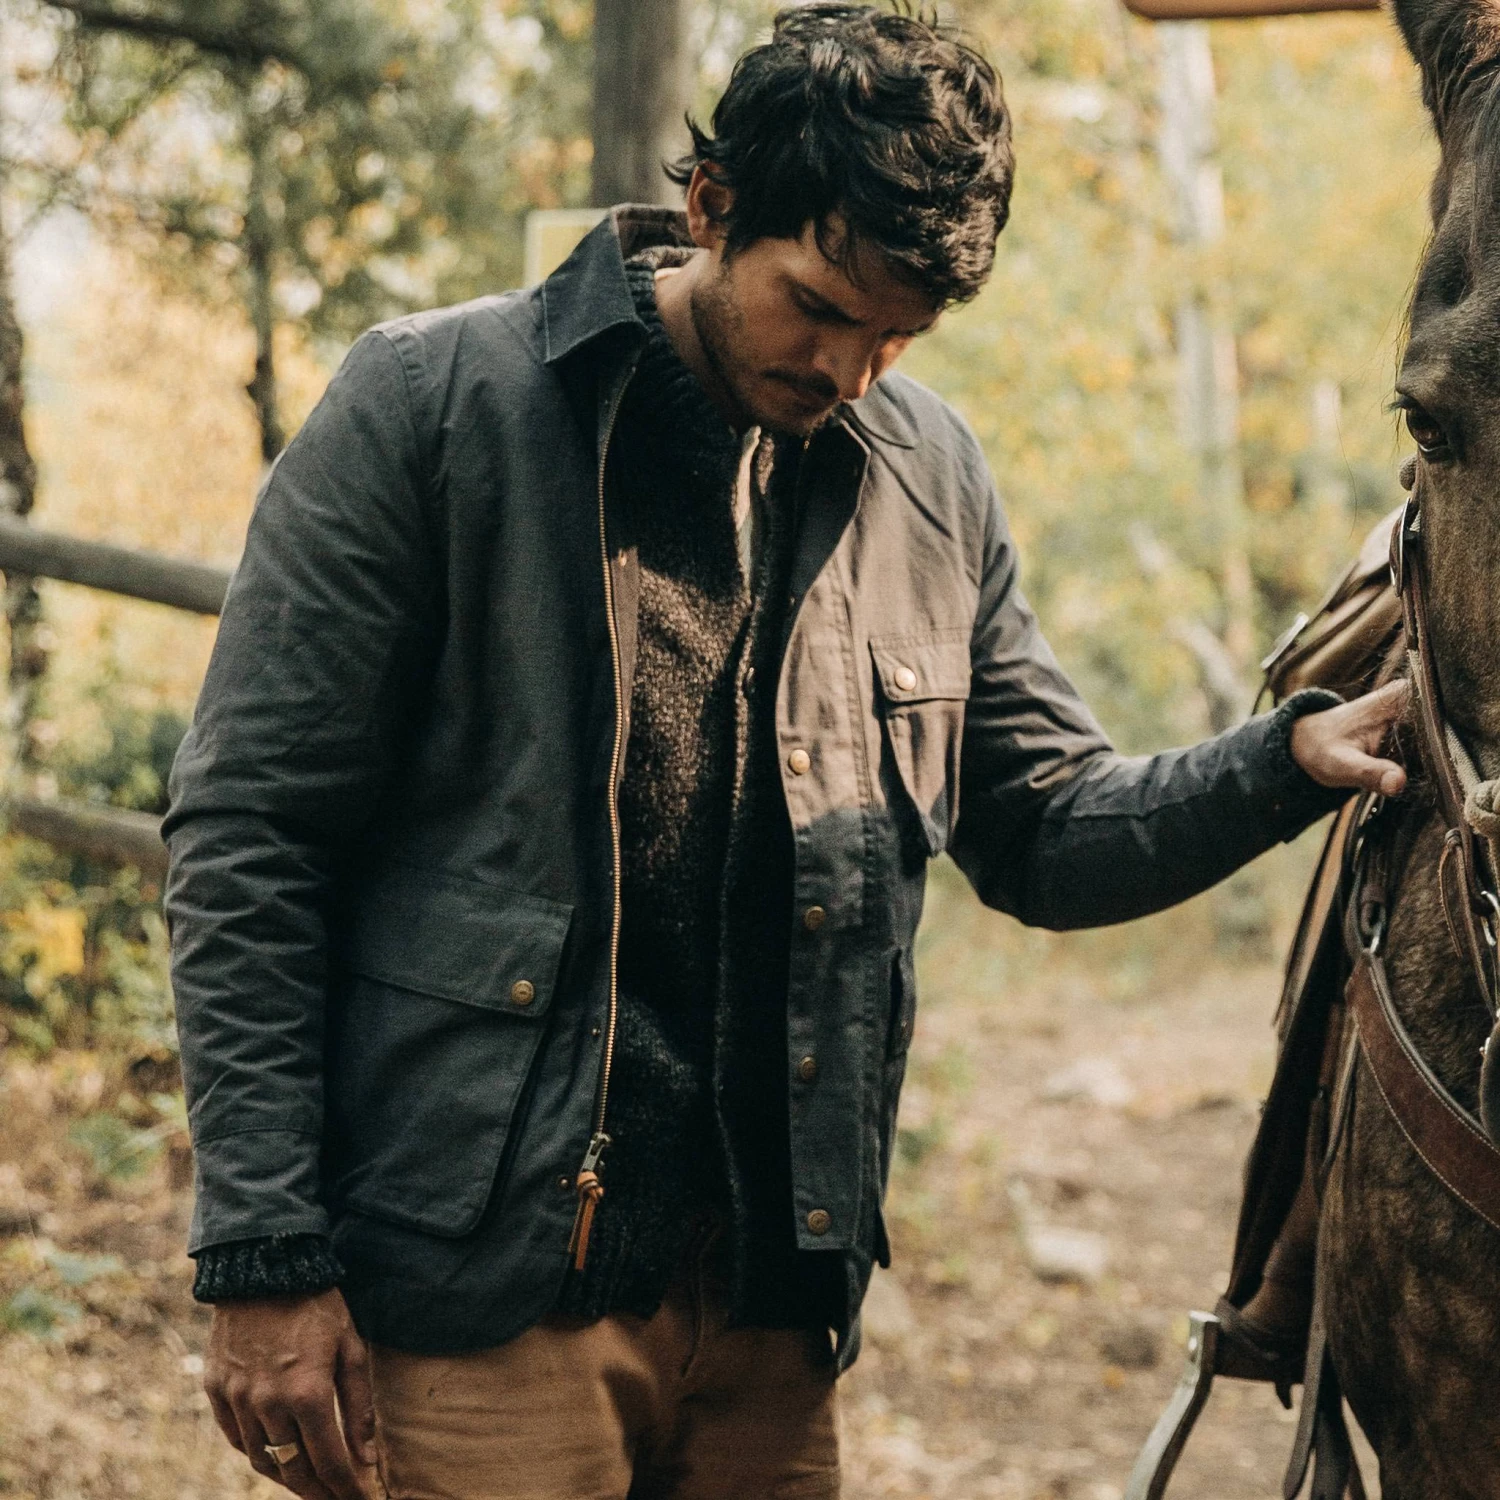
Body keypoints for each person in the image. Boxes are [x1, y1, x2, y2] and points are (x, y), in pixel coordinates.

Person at [163, 6, 1408, 1498]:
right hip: (483, 1296)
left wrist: (1285, 763)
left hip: (769, 1304)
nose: (853, 371)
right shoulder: (434, 406)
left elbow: (1043, 828)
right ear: (711, 208)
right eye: (818, 307)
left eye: (899, 335)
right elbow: (250, 836)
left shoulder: (931, 481)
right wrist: (263, 1254)